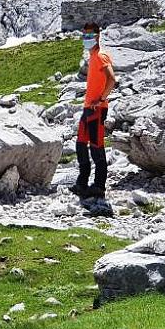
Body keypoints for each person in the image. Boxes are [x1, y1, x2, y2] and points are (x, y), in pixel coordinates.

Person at [69, 22, 117, 199]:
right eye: (85, 35)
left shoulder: (101, 55)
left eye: (90, 35)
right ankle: (82, 184)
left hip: (97, 109)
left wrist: (102, 99)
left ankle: (98, 187)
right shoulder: (93, 56)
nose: (86, 39)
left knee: (97, 147)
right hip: (88, 108)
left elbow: (112, 80)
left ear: (98, 36)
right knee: (81, 145)